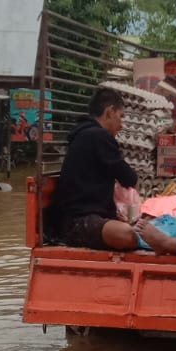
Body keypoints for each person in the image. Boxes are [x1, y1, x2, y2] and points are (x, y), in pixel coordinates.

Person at [48, 87, 140, 251]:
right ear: (110, 112)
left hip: (77, 218)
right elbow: (129, 178)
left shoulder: (82, 134)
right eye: (121, 116)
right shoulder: (99, 136)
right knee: (128, 235)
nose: (121, 124)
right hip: (79, 223)